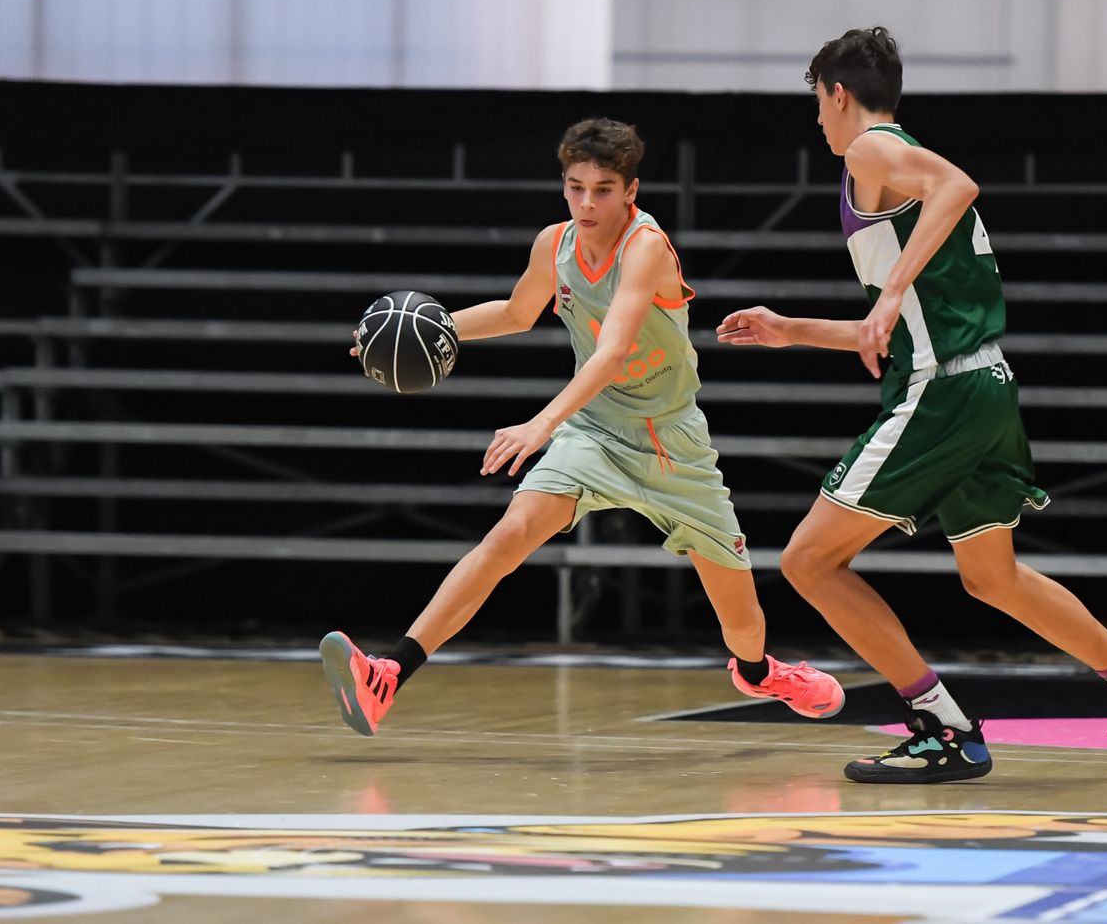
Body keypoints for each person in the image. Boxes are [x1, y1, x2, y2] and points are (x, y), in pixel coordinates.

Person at [715, 27, 1107, 784]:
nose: (817, 120)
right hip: (983, 384)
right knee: (993, 578)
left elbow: (959, 187)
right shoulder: (891, 162)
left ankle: (941, 726)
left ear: (838, 94)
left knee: (810, 561)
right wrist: (792, 329)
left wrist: (891, 292)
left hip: (944, 391)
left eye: (816, 102)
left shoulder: (871, 149)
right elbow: (903, 328)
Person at [320, 117, 843, 735]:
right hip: (593, 429)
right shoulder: (555, 244)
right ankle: (388, 675)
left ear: (631, 191)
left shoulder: (645, 246)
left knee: (742, 622)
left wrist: (540, 424)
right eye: (576, 188)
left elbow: (612, 353)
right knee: (508, 537)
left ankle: (758, 673)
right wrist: (414, 334)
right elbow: (517, 312)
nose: (587, 203)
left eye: (602, 190)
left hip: (670, 441)